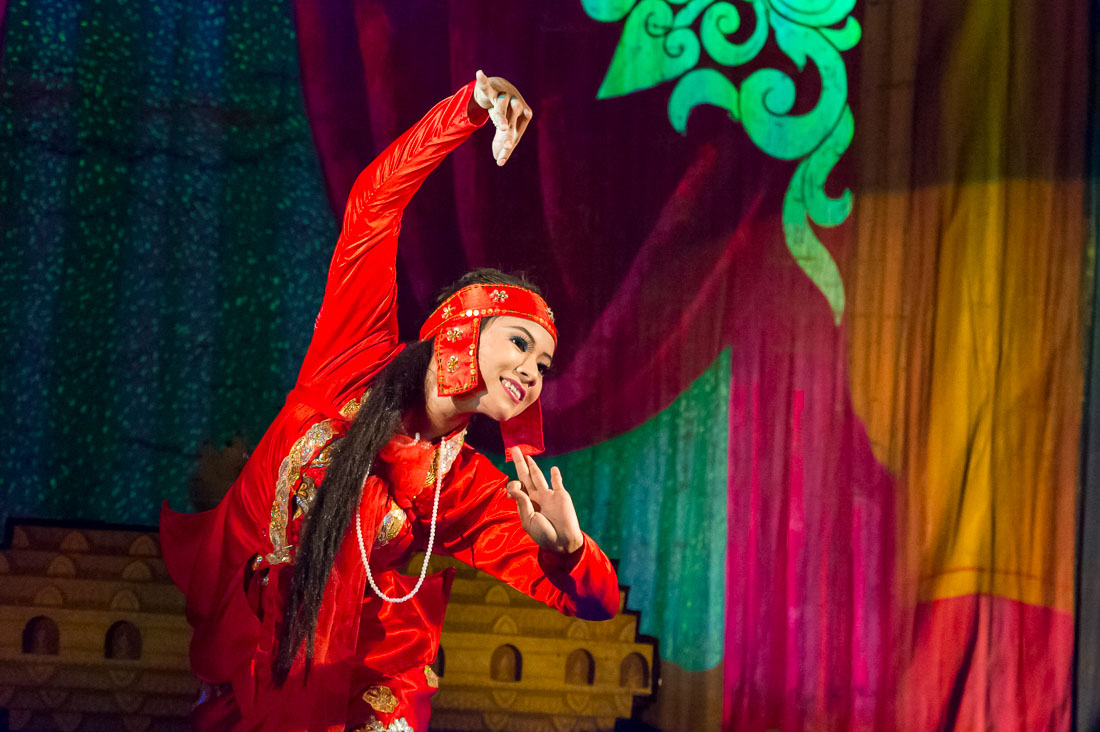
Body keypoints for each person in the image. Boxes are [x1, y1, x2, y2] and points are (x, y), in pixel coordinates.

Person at [160, 70, 620, 732]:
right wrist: (467, 108)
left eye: (543, 363)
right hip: (252, 657)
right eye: (519, 342)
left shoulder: (462, 488)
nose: (532, 370)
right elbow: (376, 204)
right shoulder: (351, 361)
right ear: (462, 324)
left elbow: (590, 604)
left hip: (358, 684)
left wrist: (571, 552)